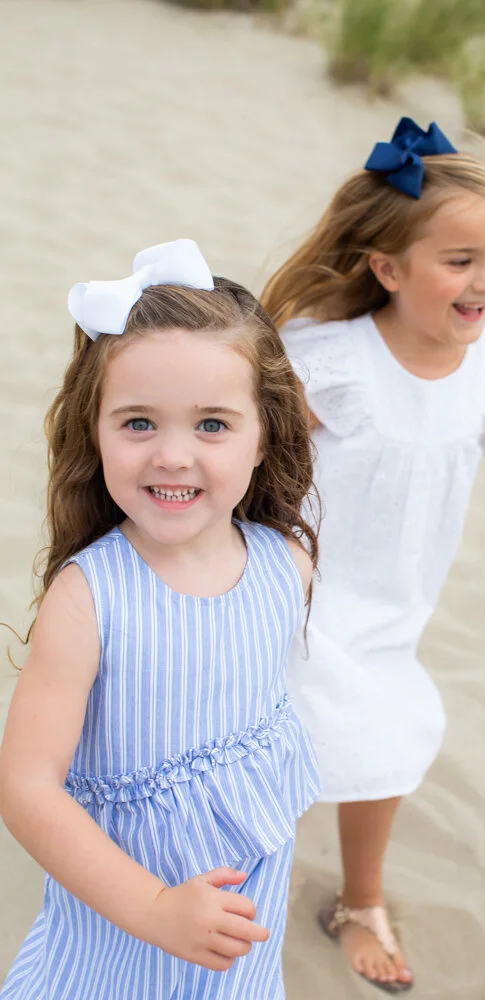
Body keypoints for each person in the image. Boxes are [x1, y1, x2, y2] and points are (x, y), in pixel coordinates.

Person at [261, 118, 485, 994]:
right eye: (460, 260)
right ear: (386, 268)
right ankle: (220, 883)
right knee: (266, 743)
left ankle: (361, 899)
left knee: (387, 744)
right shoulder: (335, 365)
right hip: (296, 593)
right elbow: (261, 472)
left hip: (392, 610)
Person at [0, 239, 320, 1000]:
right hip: (120, 931)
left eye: (212, 425)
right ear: (96, 432)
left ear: (264, 434)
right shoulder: (91, 597)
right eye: (138, 423)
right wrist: (153, 907)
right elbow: (27, 787)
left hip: (238, 925)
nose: (173, 455)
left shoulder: (286, 566)